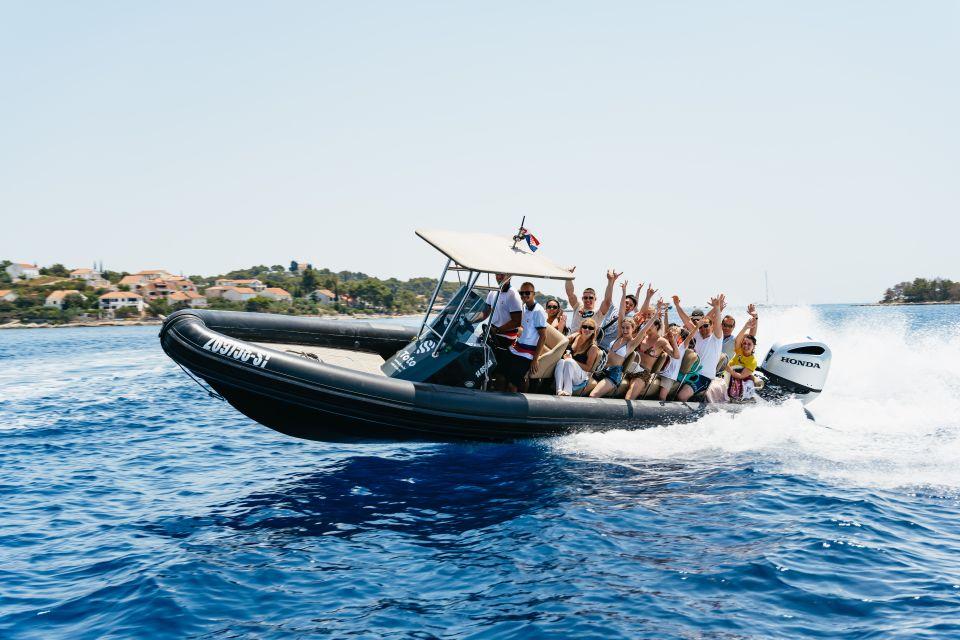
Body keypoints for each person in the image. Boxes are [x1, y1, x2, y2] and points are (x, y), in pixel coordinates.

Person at [589, 282, 663, 398]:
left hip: (613, 374)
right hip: (602, 368)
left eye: (627, 328)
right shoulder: (619, 336)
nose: (624, 330)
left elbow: (644, 329)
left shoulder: (632, 343)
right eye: (623, 327)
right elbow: (621, 312)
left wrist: (655, 315)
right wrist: (624, 291)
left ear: (633, 329)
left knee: (593, 395)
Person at [672, 294, 726, 402]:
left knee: (682, 396)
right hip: (691, 373)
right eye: (701, 327)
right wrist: (677, 305)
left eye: (706, 326)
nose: (703, 329)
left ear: (711, 326)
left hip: (704, 377)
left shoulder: (716, 338)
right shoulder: (698, 336)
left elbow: (718, 324)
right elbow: (686, 321)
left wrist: (717, 308)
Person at [503, 282, 548, 392]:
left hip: (527, 354)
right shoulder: (524, 307)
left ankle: (513, 405)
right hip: (516, 348)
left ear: (534, 294)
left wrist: (535, 360)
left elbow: (543, 336)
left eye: (527, 292)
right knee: (500, 375)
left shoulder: (538, 311)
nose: (524, 295)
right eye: (521, 293)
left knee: (512, 385)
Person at [624, 299, 673, 400]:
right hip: (629, 367)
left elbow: (675, 354)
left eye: (651, 315)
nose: (648, 318)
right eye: (647, 315)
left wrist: (663, 313)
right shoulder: (640, 334)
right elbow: (628, 337)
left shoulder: (660, 339)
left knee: (629, 397)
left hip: (643, 372)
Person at [599, 283, 657, 351]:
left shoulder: (630, 319)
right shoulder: (613, 309)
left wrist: (648, 297)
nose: (628, 305)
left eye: (631, 305)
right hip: (596, 341)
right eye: (626, 302)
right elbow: (607, 299)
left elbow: (642, 313)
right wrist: (611, 281)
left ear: (633, 309)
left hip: (607, 348)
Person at [564, 267, 620, 337]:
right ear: (582, 298)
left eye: (591, 298)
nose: (588, 300)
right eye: (585, 298)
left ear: (595, 299)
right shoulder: (577, 306)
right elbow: (570, 293)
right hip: (573, 340)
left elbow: (607, 301)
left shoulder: (598, 312)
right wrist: (569, 276)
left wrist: (610, 281)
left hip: (588, 343)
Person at [553, 318, 601, 396]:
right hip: (568, 369)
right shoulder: (575, 336)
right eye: (585, 326)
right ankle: (559, 390)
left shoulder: (593, 347)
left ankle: (568, 391)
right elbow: (562, 341)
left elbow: (588, 368)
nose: (587, 329)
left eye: (591, 328)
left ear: (593, 331)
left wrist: (572, 360)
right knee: (561, 361)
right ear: (581, 328)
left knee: (569, 361)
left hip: (580, 377)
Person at [476, 273, 522, 350]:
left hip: (506, 337)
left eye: (502, 275)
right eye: (497, 274)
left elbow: (516, 322)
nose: (499, 277)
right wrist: (470, 321)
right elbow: (485, 313)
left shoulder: (513, 295)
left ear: (509, 277)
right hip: (493, 333)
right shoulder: (493, 292)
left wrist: (497, 330)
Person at [727, 306, 760, 400]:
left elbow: (741, 376)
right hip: (727, 373)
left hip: (735, 377)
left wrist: (728, 369)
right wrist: (746, 327)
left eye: (749, 344)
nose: (745, 345)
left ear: (754, 346)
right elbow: (738, 340)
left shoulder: (752, 362)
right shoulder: (740, 350)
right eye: (744, 343)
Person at [657, 324, 697, 401]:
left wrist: (697, 326)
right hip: (659, 371)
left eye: (675, 333)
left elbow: (690, 336)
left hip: (669, 375)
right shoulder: (664, 343)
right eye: (671, 332)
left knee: (662, 396)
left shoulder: (681, 347)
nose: (673, 334)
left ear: (679, 336)